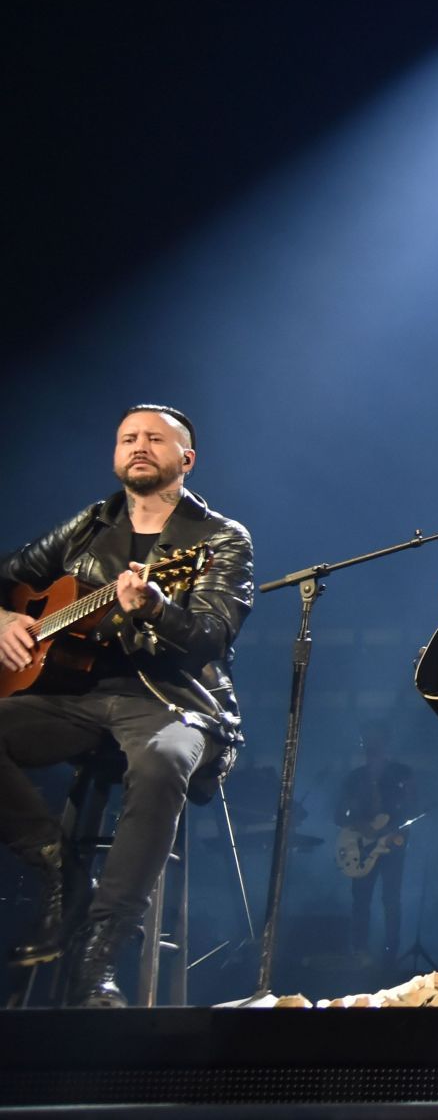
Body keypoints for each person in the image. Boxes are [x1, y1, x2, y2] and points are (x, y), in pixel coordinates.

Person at [0, 404, 252, 1006]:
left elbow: (213, 636)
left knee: (164, 760)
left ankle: (99, 955)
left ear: (185, 460)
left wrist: (158, 609)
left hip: (172, 701)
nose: (139, 446)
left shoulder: (218, 538)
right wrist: (8, 616)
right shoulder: (90, 524)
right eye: (127, 438)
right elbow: (10, 576)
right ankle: (56, 868)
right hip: (76, 697)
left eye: (155, 440)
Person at [334, 725, 414, 965]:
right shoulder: (354, 778)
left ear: (386, 742)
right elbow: (338, 815)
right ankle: (359, 950)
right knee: (361, 899)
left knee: (391, 898)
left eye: (376, 740)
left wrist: (396, 831)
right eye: (367, 741)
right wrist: (359, 825)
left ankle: (390, 951)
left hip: (392, 846)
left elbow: (413, 808)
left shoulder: (402, 773)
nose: (371, 746)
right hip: (361, 845)